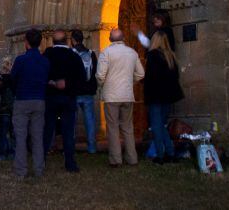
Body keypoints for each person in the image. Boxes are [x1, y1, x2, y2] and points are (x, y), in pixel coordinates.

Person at [97, 28, 145, 167]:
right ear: (123, 38)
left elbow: (100, 75)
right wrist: (131, 81)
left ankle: (116, 160)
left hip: (112, 96)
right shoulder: (132, 52)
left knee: (112, 128)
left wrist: (102, 85)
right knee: (127, 127)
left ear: (110, 39)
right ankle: (132, 158)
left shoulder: (106, 52)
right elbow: (141, 74)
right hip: (127, 94)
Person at [43, 29, 86, 173]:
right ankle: (70, 163)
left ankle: (41, 161)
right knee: (68, 131)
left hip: (50, 98)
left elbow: (41, 75)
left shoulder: (47, 55)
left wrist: (51, 82)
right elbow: (81, 79)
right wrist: (68, 85)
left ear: (53, 41)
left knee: (48, 129)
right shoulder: (74, 56)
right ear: (67, 41)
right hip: (68, 98)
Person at [10, 28, 50, 179]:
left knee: (20, 137)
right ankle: (39, 169)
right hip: (39, 99)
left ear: (26, 43)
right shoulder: (45, 61)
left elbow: (13, 79)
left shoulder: (21, 60)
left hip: (22, 99)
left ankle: (21, 170)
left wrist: (17, 92)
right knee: (38, 137)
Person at [143, 30, 184, 164]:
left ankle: (160, 155)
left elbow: (151, 77)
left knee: (156, 126)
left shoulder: (152, 56)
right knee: (161, 125)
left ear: (155, 40)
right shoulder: (170, 56)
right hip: (167, 96)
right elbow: (175, 77)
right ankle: (170, 153)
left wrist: (142, 81)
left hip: (155, 95)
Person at [71, 29, 98, 154]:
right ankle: (92, 147)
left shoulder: (71, 53)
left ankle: (71, 146)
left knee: (72, 120)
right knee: (90, 120)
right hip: (88, 91)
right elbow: (95, 71)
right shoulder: (91, 53)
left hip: (74, 91)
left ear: (73, 40)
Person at [0, 58, 15, 160]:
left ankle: (3, 153)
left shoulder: (1, 80)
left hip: (4, 110)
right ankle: (11, 152)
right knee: (12, 133)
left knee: (3, 133)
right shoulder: (14, 79)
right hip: (12, 109)